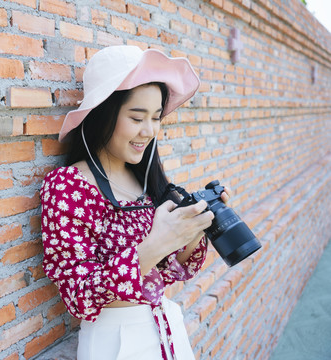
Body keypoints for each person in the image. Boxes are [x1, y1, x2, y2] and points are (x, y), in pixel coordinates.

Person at [40, 45, 232, 360]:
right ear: (103, 113)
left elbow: (170, 268)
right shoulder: (67, 187)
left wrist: (195, 226)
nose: (149, 130)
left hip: (168, 334)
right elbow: (79, 296)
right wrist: (156, 243)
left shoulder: (144, 180)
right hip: (116, 343)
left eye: (156, 118)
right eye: (137, 117)